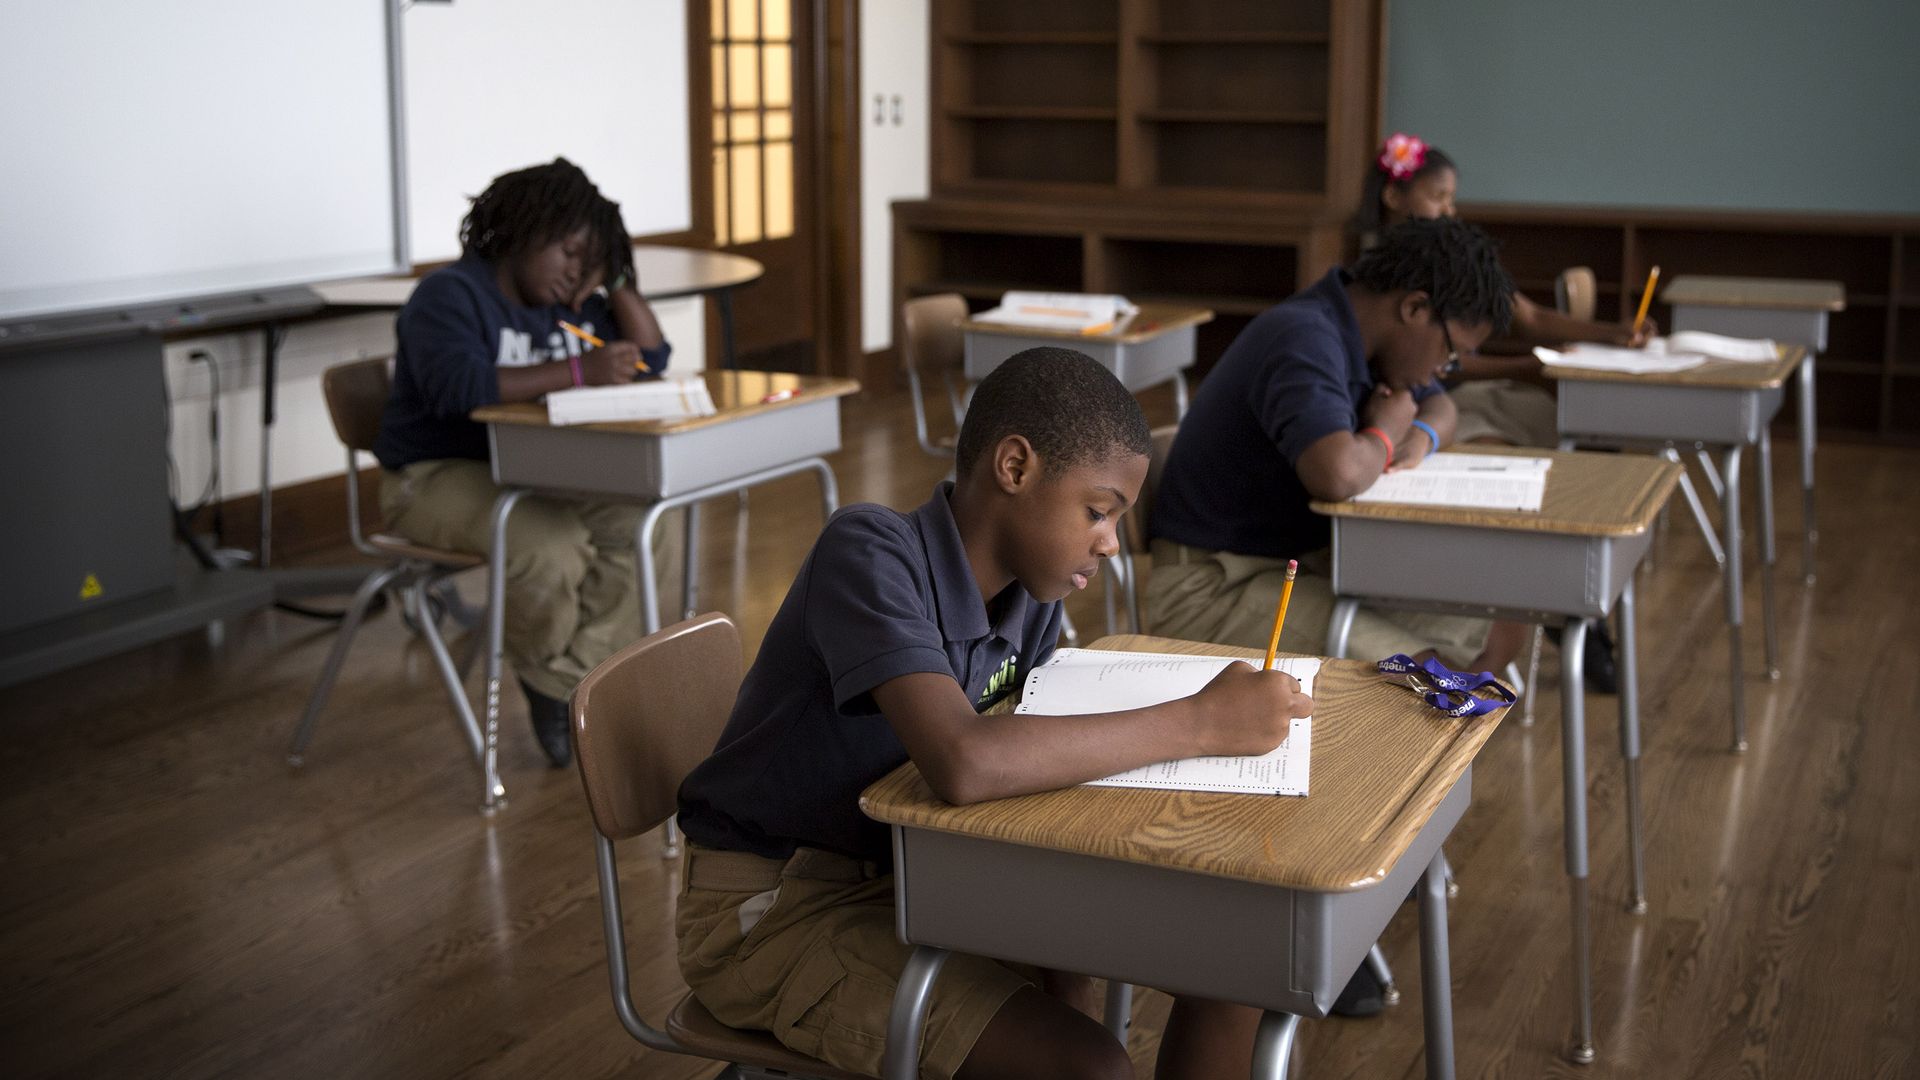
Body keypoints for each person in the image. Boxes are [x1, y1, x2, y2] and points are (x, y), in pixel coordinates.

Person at [675, 348, 1314, 1080]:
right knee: (1093, 1066)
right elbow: (967, 760)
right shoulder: (869, 551)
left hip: (928, 864)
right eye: (1098, 512)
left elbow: (1030, 763)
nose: (1110, 542)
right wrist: (1201, 722)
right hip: (778, 905)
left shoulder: (1029, 599)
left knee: (1235, 973)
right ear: (1015, 468)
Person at [372, 157, 671, 767]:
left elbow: (652, 357)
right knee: (548, 544)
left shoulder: (570, 307)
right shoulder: (449, 296)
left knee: (641, 521)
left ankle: (568, 683)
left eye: (590, 264)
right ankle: (558, 687)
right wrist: (579, 371)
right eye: (569, 253)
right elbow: (457, 387)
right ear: (526, 231)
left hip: (534, 470)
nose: (574, 274)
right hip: (431, 476)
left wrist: (614, 282)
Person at [1149, 216, 1526, 687]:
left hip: (1299, 568)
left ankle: (1410, 754)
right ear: (1415, 308)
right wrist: (1386, 434)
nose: (1441, 369)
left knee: (1498, 626)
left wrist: (1421, 435)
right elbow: (1339, 475)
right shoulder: (1305, 338)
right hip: (1212, 586)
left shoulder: (1369, 336)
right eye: (1449, 354)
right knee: (1426, 680)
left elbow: (1440, 404)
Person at [1361, 133, 1630, 690]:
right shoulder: (1371, 276)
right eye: (1438, 197)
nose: (1448, 210)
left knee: (1560, 455)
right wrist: (1520, 366)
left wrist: (1613, 334)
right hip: (1438, 402)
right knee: (1502, 455)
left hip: (1452, 400)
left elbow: (1525, 316)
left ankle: (1568, 597)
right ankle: (1563, 606)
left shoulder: (1456, 256)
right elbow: (1443, 369)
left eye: (1451, 199)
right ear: (1394, 196)